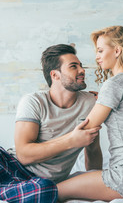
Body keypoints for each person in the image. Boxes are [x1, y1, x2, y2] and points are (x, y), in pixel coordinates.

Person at [57, 26, 123, 202]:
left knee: (56, 190)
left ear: (117, 50)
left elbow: (87, 128)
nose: (97, 56)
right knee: (74, 178)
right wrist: (102, 102)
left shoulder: (115, 83)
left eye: (100, 50)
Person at [0, 44, 102, 202]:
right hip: (11, 166)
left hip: (39, 184)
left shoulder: (91, 103)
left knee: (45, 190)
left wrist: (95, 181)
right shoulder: (34, 101)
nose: (82, 70)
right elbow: (24, 154)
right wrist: (71, 140)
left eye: (81, 66)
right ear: (55, 75)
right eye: (73, 66)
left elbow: (93, 151)